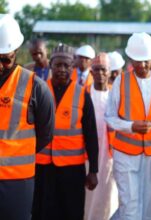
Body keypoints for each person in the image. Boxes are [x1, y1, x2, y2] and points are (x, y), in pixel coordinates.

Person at [105, 32, 151, 220]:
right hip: (126, 155)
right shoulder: (121, 81)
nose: (142, 66)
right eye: (138, 61)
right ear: (130, 59)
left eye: (146, 61)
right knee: (131, 209)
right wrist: (131, 126)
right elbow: (109, 117)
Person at [33, 43, 99, 220]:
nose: (62, 69)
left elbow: (91, 134)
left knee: (72, 212)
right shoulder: (38, 91)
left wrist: (93, 170)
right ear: (50, 65)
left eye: (66, 65)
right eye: (58, 65)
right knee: (42, 212)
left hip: (72, 169)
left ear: (73, 67)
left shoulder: (82, 95)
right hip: (42, 167)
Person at [0, 14, 55, 220]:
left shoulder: (35, 88)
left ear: (16, 52)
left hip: (17, 182)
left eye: (5, 59)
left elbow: (45, 134)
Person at [84, 53, 118, 220]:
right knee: (87, 198)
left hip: (109, 156)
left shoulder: (115, 96)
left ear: (110, 72)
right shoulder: (84, 94)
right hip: (86, 157)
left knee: (108, 197)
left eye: (103, 70)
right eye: (96, 70)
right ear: (91, 72)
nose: (100, 73)